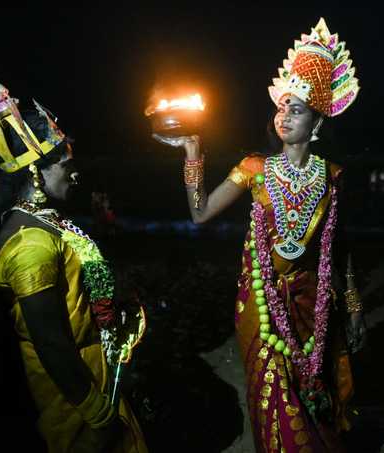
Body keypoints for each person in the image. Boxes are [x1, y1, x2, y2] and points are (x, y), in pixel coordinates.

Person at [152, 18, 366, 453]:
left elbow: (339, 248)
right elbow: (200, 214)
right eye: (281, 106)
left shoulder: (333, 177)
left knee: (313, 395)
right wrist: (194, 154)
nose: (284, 116)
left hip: (313, 304)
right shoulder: (255, 169)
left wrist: (354, 304)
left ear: (317, 122)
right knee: (275, 404)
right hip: (261, 304)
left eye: (297, 109)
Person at [0, 30, 147, 452]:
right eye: (65, 164)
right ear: (35, 172)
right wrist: (97, 415)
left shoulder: (47, 222)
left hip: (93, 371)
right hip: (73, 397)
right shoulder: (29, 245)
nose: (75, 172)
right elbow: (51, 343)